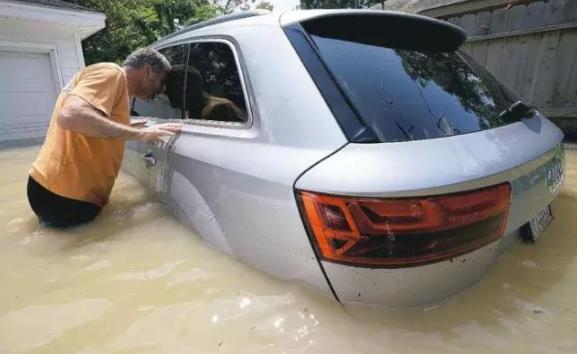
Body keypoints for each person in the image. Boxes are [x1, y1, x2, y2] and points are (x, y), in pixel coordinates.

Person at [27, 47, 181, 227]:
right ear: (147, 71)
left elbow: (97, 124)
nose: (161, 90)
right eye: (161, 81)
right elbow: (71, 116)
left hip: (51, 187)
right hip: (67, 195)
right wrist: (140, 134)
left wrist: (137, 126)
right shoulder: (111, 73)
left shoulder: (115, 88)